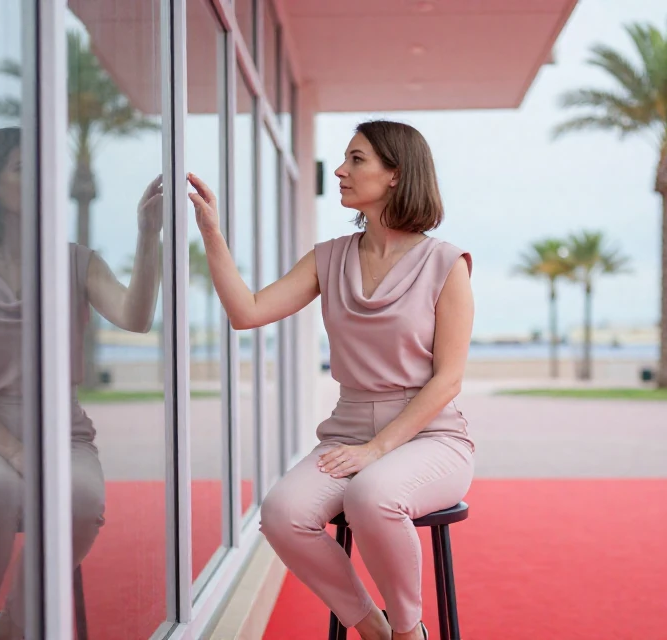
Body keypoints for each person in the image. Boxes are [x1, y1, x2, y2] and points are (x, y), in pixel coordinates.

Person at [188, 120, 475, 640]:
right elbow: (246, 311)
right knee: (281, 513)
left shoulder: (445, 264)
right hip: (348, 433)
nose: (340, 171)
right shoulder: (330, 257)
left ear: (395, 174)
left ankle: (410, 632)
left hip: (431, 437)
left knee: (372, 496)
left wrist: (379, 448)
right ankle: (373, 627)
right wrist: (211, 232)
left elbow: (448, 381)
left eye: (356, 159)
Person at [0, 127, 163, 640]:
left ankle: (9, 629)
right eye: (21, 168)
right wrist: (14, 452)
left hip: (63, 433)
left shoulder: (76, 261)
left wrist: (148, 235)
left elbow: (136, 316)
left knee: (80, 501)